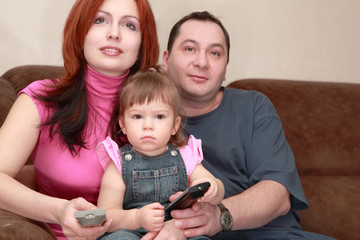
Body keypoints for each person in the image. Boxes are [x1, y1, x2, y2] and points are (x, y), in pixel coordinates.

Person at [142, 11, 335, 240]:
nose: (202, 62)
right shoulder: (143, 119)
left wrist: (217, 216)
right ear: (166, 59)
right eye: (190, 49)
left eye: (215, 53)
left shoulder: (253, 107)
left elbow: (278, 194)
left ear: (225, 69)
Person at [0, 0, 159, 239]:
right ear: (80, 31)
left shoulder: (161, 106)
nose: (114, 33)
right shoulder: (40, 100)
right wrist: (58, 210)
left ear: (142, 43)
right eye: (100, 20)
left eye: (129, 25)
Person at [95, 67, 225, 240]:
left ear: (175, 125)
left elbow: (215, 185)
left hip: (176, 230)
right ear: (123, 125)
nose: (148, 125)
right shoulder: (119, 163)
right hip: (132, 231)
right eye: (137, 116)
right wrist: (136, 218)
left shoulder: (185, 156)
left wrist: (213, 188)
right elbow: (105, 215)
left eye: (159, 117)